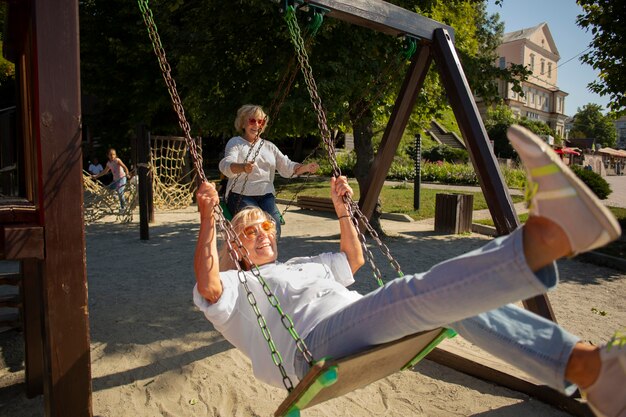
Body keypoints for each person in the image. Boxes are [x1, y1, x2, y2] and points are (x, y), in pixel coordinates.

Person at [194, 125, 624, 417]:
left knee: (452, 301)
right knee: (408, 293)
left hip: (355, 322)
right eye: (250, 232)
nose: (264, 232)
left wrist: (345, 210)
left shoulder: (303, 264)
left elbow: (354, 261)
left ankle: (587, 369)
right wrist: (209, 221)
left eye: (267, 225)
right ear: (237, 248)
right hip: (309, 347)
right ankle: (546, 238)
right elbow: (210, 287)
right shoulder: (241, 284)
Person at [219, 104, 320, 237]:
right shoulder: (236, 143)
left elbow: (286, 166)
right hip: (240, 195)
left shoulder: (269, 147)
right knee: (254, 225)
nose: (256, 125)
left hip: (266, 195)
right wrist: (243, 167)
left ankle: (269, 256)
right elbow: (226, 165)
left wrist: (305, 168)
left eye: (260, 121)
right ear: (243, 123)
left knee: (273, 226)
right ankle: (250, 255)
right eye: (252, 120)